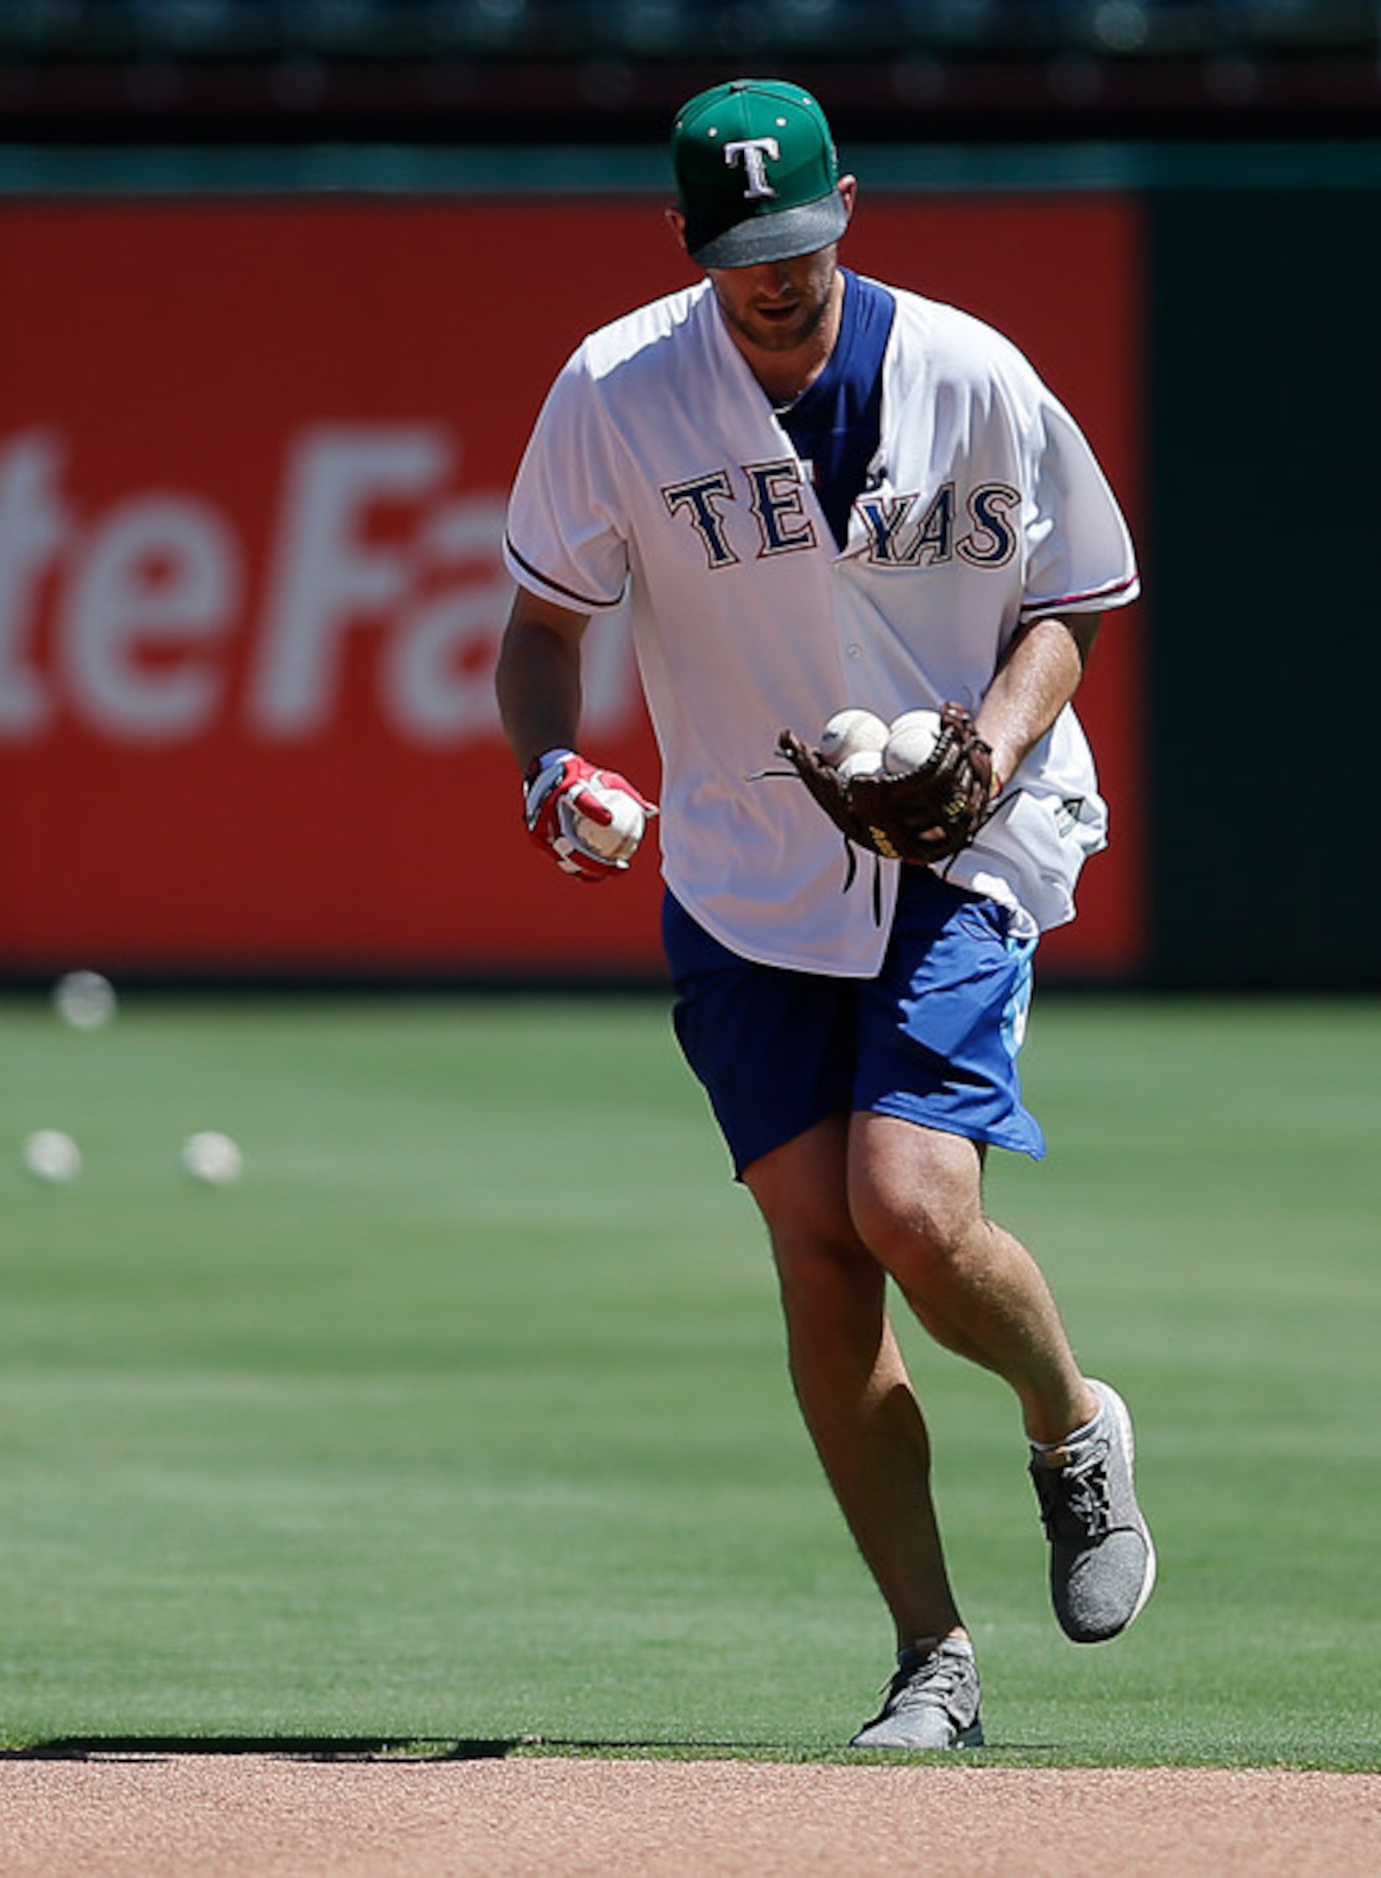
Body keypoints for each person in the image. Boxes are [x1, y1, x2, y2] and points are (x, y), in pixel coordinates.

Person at [492, 77, 1153, 1750]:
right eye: (739, 253)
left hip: (961, 841)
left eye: (796, 239)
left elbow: (1076, 591)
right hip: (744, 868)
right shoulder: (617, 393)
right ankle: (934, 1656)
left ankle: (1071, 1423)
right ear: (689, 246)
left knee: (912, 1207)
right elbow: (539, 628)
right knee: (820, 1257)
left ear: (846, 205)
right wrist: (552, 767)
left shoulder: (966, 373)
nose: (774, 276)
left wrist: (991, 750)